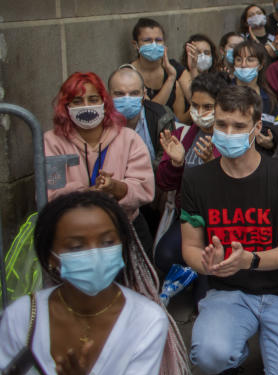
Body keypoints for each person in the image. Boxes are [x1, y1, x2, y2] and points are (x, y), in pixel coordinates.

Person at [0, 191, 188, 375]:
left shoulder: (146, 319)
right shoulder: (21, 317)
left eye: (107, 242)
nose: (95, 254)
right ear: (52, 256)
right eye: (77, 246)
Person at [181, 85, 278, 375]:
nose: (228, 133)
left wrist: (248, 260)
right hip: (227, 290)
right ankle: (231, 359)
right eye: (222, 124)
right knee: (210, 354)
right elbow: (190, 246)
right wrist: (207, 264)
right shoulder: (197, 180)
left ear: (256, 128)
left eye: (239, 126)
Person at [44, 72, 155, 248]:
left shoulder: (129, 138)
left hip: (124, 226)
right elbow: (50, 193)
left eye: (93, 99)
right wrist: (86, 193)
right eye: (77, 101)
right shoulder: (52, 141)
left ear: (104, 103)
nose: (86, 106)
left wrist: (116, 187)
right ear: (66, 106)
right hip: (73, 232)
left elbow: (144, 188)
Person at [154, 72, 227, 280]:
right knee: (164, 256)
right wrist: (176, 164)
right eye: (195, 106)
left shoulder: (232, 139)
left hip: (220, 221)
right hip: (188, 217)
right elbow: (164, 183)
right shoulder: (183, 135)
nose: (200, 112)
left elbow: (237, 187)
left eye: (207, 107)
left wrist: (212, 166)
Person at [107, 65, 175, 164]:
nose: (127, 99)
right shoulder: (101, 121)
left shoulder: (161, 116)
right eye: (119, 94)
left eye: (134, 93)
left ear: (144, 94)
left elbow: (165, 162)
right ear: (108, 95)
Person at [231, 39, 278, 154]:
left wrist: (271, 143)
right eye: (239, 60)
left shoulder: (270, 100)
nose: (243, 65)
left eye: (250, 60)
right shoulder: (223, 94)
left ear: (260, 65)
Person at [127, 18, 187, 117]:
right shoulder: (128, 74)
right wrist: (171, 78)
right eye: (147, 40)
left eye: (158, 40)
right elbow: (151, 113)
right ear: (135, 44)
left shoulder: (173, 67)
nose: (154, 44)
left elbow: (183, 115)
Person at [174, 34, 219, 121]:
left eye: (207, 53)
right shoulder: (180, 82)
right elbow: (181, 120)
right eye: (197, 52)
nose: (202, 56)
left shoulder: (218, 80)